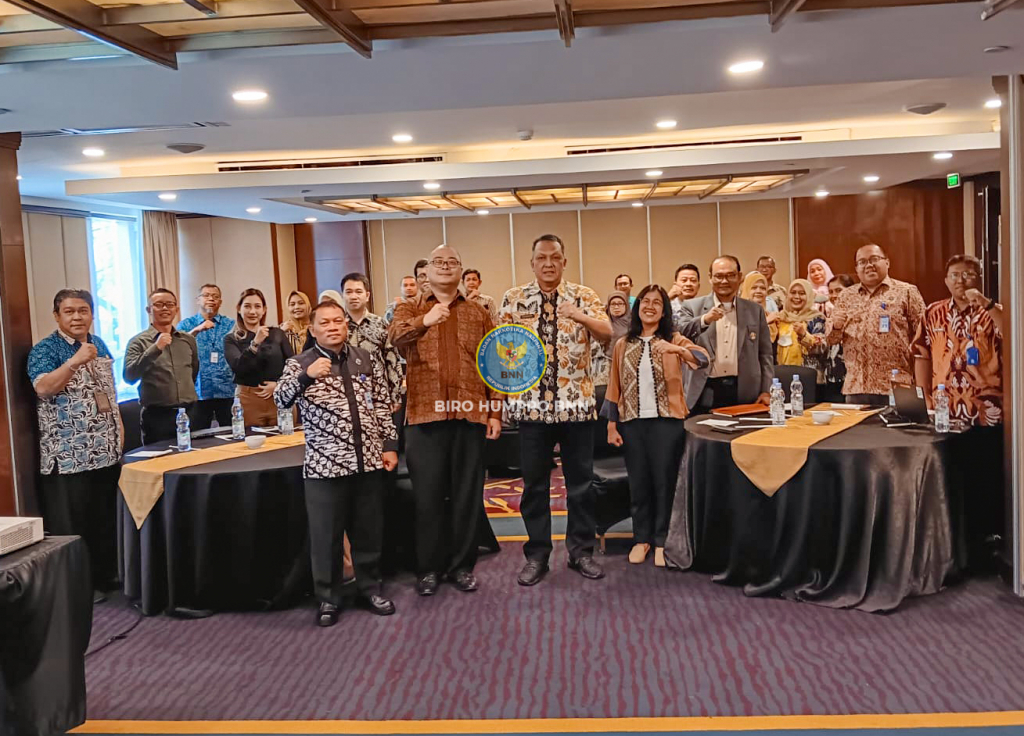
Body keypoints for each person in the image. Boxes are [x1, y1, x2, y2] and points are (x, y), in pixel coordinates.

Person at [274, 300, 399, 627]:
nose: (332, 327)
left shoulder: (364, 358)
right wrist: (306, 377)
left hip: (367, 460)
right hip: (324, 466)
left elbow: (381, 403)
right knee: (326, 536)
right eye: (325, 323)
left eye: (338, 321)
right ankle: (328, 598)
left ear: (346, 325)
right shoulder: (299, 363)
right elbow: (280, 400)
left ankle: (370, 589)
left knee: (368, 532)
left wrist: (389, 445)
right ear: (313, 329)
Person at [498, 234, 612, 586]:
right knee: (534, 486)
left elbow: (607, 333)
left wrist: (579, 316)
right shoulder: (513, 298)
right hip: (531, 409)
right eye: (541, 258)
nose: (548, 263)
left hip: (576, 407)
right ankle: (537, 556)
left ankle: (581, 552)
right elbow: (501, 349)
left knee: (581, 484)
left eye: (555, 257)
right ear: (532, 263)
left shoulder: (584, 295)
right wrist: (503, 398)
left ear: (564, 261)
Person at [390, 245, 502, 596]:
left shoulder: (478, 312)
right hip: (425, 414)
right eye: (439, 262)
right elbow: (394, 338)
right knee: (428, 497)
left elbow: (493, 362)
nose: (445, 267)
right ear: (427, 271)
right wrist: (424, 321)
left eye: (452, 262)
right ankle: (428, 569)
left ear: (461, 270)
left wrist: (495, 411)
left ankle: (462, 567)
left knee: (467, 496)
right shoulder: (410, 307)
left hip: (470, 414)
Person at [602, 285, 707, 568]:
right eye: (645, 302)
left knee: (664, 482)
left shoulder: (673, 338)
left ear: (664, 310)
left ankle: (662, 540)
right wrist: (611, 425)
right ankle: (642, 539)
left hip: (667, 423)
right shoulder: (623, 343)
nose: (650, 306)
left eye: (657, 303)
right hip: (632, 423)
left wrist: (677, 349)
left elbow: (702, 359)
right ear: (637, 308)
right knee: (638, 483)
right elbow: (614, 385)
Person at [28, 289, 123, 599]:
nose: (77, 317)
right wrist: (74, 362)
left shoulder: (99, 343)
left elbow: (109, 392)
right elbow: (43, 388)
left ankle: (106, 575)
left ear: (92, 314)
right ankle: (80, 587)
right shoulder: (45, 349)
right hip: (68, 455)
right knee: (74, 525)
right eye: (69, 311)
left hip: (104, 450)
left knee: (104, 518)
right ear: (57, 316)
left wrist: (119, 429)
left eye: (83, 310)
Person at [912, 254, 1003, 570]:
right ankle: (954, 545)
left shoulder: (994, 311)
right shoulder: (933, 312)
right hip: (944, 410)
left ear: (979, 277)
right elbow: (921, 354)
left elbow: (1013, 334)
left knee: (985, 478)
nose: (961, 281)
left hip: (985, 411)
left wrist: (987, 304)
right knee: (951, 477)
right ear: (946, 280)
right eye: (954, 275)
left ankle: (987, 544)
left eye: (968, 274)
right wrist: (923, 396)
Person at [826, 244, 925, 405]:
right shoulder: (846, 296)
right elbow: (831, 340)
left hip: (897, 385)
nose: (869, 265)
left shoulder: (906, 292)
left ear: (887, 262)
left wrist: (923, 382)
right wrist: (836, 327)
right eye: (862, 262)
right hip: (856, 387)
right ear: (856, 268)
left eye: (874, 259)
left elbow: (923, 337)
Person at [676, 256, 774, 412]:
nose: (724, 281)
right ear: (710, 278)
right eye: (719, 276)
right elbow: (680, 332)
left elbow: (765, 354)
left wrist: (766, 390)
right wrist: (704, 320)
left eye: (730, 275)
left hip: (745, 390)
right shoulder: (692, 306)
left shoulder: (754, 310)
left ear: (740, 277)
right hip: (704, 389)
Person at [124, 288, 200, 445]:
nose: (165, 308)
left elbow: (193, 372)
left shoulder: (187, 340)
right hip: (157, 417)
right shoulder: (138, 342)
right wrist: (155, 349)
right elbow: (129, 377)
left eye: (169, 304)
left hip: (189, 413)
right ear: (149, 310)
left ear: (176, 309)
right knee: (159, 458)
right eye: (159, 304)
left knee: (192, 457)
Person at [223, 288, 294, 427]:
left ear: (264, 310)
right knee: (251, 438)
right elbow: (239, 368)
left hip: (278, 396)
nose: (252, 311)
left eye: (257, 306)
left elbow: (292, 365)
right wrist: (255, 343)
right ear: (239, 309)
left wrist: (279, 385)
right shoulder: (231, 339)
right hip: (249, 398)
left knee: (286, 437)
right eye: (247, 306)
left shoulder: (277, 334)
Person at [341, 273, 403, 412]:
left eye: (358, 292)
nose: (353, 296)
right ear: (342, 295)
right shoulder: (337, 326)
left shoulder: (380, 324)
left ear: (367, 295)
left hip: (378, 394)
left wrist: (395, 395)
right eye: (348, 292)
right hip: (345, 395)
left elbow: (392, 360)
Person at [178, 284, 236, 430]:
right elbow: (177, 348)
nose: (211, 299)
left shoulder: (231, 325)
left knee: (232, 433)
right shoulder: (186, 325)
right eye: (206, 295)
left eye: (215, 296)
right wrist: (197, 330)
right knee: (198, 435)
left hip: (227, 389)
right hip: (199, 391)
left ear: (220, 302)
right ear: (198, 300)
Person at [773, 279, 826, 383]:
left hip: (809, 377)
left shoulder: (816, 318)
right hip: (781, 376)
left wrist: (804, 335)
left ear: (809, 296)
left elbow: (823, 348)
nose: (797, 297)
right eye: (793, 293)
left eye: (802, 293)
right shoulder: (779, 318)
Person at [822, 274, 855, 401]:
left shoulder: (858, 313)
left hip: (852, 375)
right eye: (831, 292)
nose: (834, 295)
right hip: (833, 375)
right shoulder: (831, 314)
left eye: (838, 290)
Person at [593, 291, 630, 387]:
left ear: (626, 305)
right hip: (606, 365)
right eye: (613, 304)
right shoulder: (603, 323)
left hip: (628, 364)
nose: (616, 307)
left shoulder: (634, 324)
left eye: (620, 304)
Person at [280, 290, 312, 355]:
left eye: (301, 303)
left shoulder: (315, 328)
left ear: (308, 305)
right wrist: (281, 333)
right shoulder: (282, 330)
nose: (296, 307)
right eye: (292, 304)